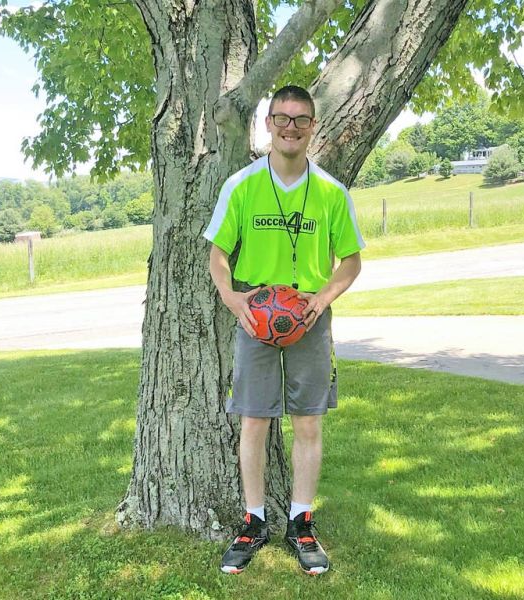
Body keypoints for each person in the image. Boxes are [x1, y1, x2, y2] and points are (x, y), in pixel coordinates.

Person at [204, 85, 364, 575]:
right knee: (254, 418)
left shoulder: (332, 192)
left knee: (308, 421)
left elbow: (351, 263)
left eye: (300, 119)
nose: (290, 127)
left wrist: (321, 300)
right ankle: (253, 521)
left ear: (313, 127)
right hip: (257, 312)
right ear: (268, 124)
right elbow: (217, 256)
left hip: (309, 314)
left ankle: (301, 522)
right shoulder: (241, 185)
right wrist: (233, 299)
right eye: (281, 118)